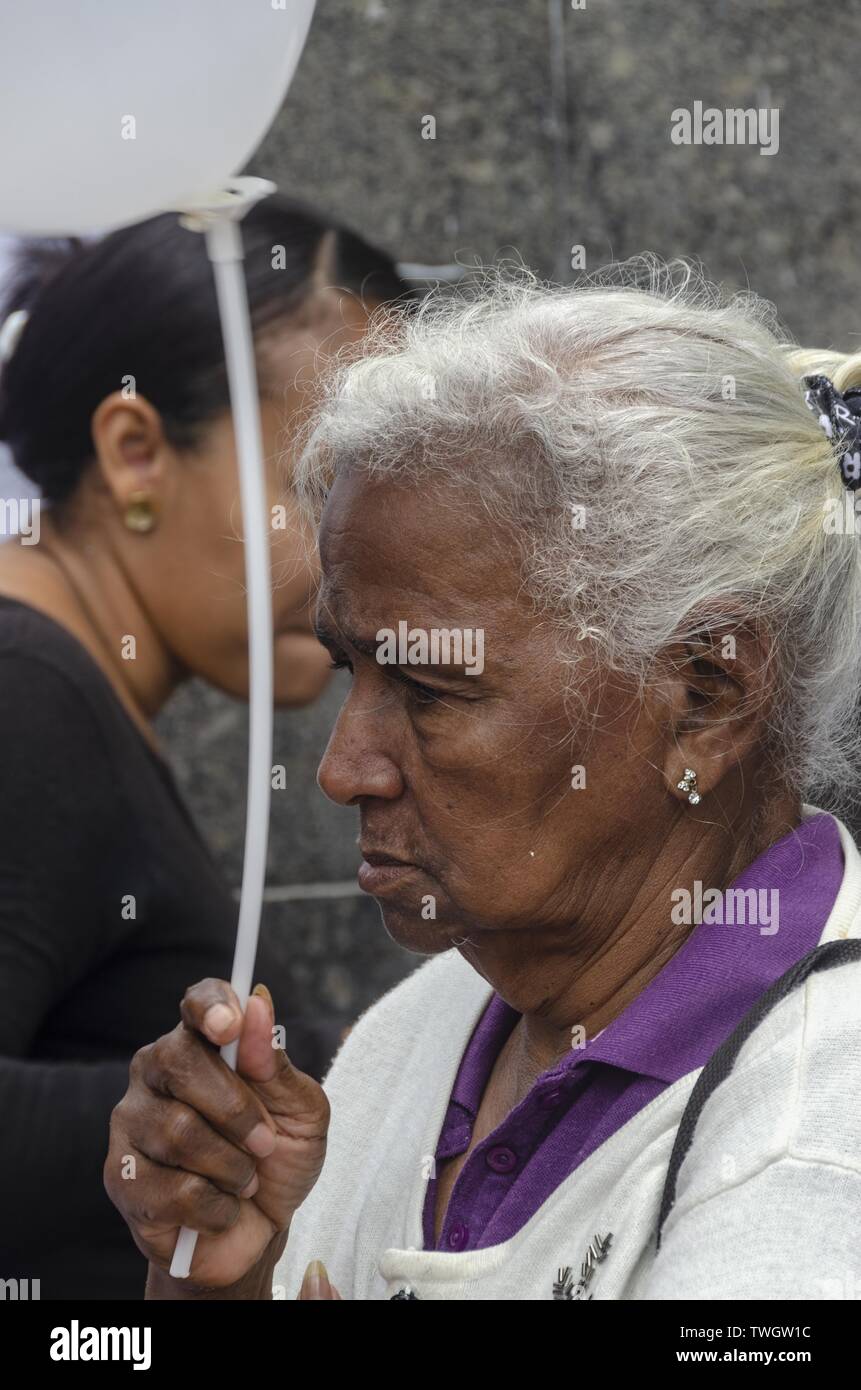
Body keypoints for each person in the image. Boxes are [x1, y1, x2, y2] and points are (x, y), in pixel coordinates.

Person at [105, 261, 861, 1300]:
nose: (342, 770)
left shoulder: (813, 1142)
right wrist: (212, 1279)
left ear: (706, 695)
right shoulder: (439, 1021)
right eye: (349, 669)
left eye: (429, 688)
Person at [0, 197, 411, 1300]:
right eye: (317, 486)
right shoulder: (26, 692)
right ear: (136, 453)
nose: (358, 559)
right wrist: (351, 1075)